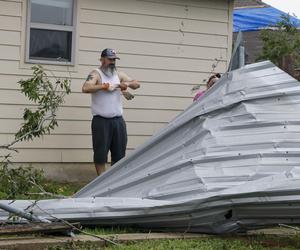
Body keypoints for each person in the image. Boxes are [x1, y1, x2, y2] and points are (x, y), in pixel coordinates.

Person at [82, 48, 140, 176]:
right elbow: (86, 88)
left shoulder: (119, 74)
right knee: (100, 155)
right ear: (102, 60)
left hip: (118, 121)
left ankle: (114, 182)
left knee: (119, 154)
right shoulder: (96, 74)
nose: (112, 62)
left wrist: (126, 84)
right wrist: (104, 86)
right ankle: (101, 182)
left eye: (114, 59)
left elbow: (137, 84)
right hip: (101, 121)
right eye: (110, 59)